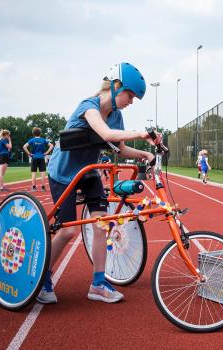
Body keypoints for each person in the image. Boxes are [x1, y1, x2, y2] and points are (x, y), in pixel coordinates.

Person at [38, 62, 162, 304]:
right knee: (69, 230)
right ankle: (43, 277)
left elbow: (120, 148)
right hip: (64, 174)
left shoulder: (116, 115)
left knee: (102, 225)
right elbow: (106, 135)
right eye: (130, 95)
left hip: (89, 172)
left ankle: (98, 283)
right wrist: (142, 134)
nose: (131, 101)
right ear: (116, 87)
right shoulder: (89, 107)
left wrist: (145, 155)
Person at [23, 127, 54, 192]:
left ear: (33, 133)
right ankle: (43, 187)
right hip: (41, 157)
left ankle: (34, 188)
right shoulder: (43, 140)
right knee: (42, 173)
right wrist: (46, 153)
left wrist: (29, 154)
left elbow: (24, 146)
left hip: (34, 158)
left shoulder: (32, 140)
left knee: (33, 173)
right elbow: (51, 145)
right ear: (40, 133)